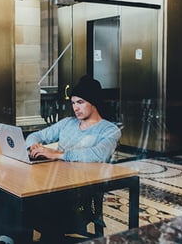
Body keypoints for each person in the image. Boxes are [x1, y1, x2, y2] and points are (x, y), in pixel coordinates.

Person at [25, 75, 121, 243]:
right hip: (54, 183)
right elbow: (36, 135)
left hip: (81, 192)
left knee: (42, 205)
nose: (75, 108)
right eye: (73, 103)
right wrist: (33, 146)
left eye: (81, 102)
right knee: (18, 196)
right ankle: (10, 238)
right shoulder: (67, 123)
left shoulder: (109, 130)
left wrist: (57, 155)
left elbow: (97, 155)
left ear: (93, 102)